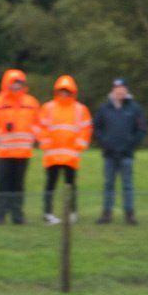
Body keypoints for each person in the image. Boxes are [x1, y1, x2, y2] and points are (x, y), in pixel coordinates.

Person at [0, 69, 41, 224]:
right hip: (4, 152)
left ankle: (17, 216)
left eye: (19, 83)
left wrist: (33, 136)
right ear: (6, 83)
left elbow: (39, 123)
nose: (16, 86)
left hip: (23, 152)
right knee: (2, 185)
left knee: (18, 186)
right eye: (13, 83)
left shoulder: (31, 102)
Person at [37, 75, 92, 225]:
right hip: (52, 155)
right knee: (50, 184)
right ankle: (47, 213)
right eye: (61, 91)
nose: (64, 94)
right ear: (57, 91)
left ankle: (72, 213)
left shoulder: (80, 109)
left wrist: (79, 145)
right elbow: (41, 127)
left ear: (72, 92)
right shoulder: (48, 107)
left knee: (71, 184)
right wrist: (45, 142)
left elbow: (86, 129)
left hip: (70, 155)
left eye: (67, 91)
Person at [92, 77, 148, 225]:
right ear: (113, 91)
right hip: (109, 155)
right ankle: (106, 214)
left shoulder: (135, 108)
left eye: (122, 89)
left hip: (126, 154)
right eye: (117, 90)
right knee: (108, 185)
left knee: (127, 185)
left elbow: (142, 129)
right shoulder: (104, 109)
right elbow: (96, 128)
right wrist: (105, 143)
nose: (120, 92)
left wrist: (131, 144)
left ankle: (129, 215)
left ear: (126, 91)